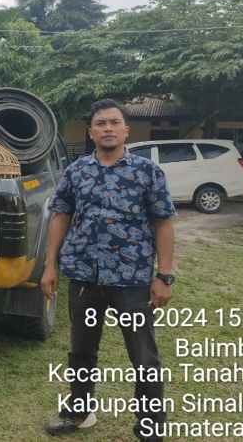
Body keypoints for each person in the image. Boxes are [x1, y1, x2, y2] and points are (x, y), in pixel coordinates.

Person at [41, 99, 176, 441]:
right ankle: (78, 412)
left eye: (114, 122)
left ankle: (150, 426)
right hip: (85, 277)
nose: (108, 128)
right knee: (82, 349)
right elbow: (60, 216)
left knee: (143, 355)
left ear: (126, 129)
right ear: (91, 131)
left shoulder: (147, 172)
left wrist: (165, 275)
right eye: (101, 123)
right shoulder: (77, 171)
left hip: (131, 281)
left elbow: (163, 223)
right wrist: (49, 265)